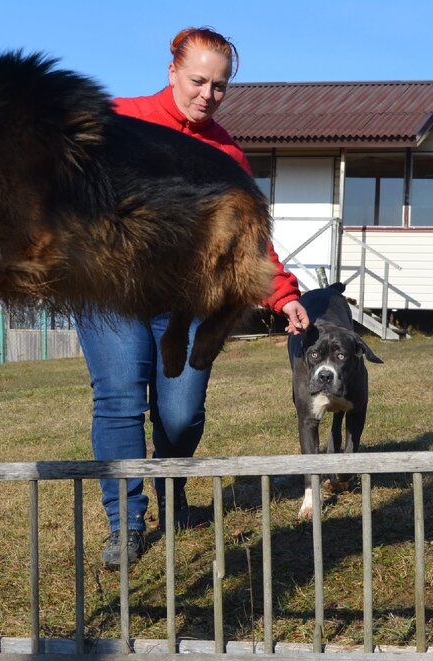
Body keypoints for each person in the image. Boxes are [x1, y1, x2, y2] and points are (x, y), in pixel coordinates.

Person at [78, 26, 309, 569]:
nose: (208, 94)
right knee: (119, 401)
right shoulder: (119, 120)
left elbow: (248, 237)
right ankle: (127, 524)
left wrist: (283, 295)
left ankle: (172, 490)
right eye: (198, 81)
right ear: (172, 72)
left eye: (220, 86)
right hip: (113, 290)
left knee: (180, 418)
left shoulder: (226, 152)